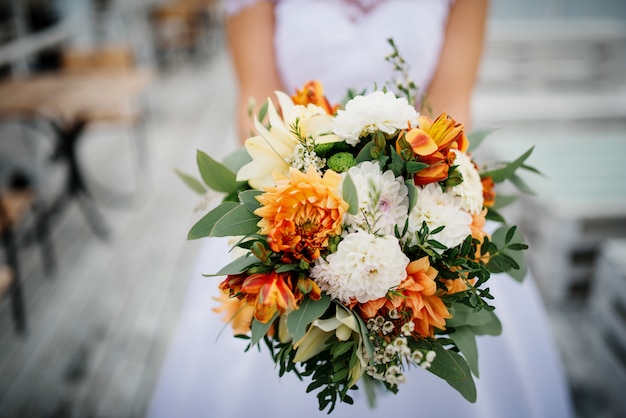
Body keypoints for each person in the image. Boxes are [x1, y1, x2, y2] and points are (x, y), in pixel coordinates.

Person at [148, 1, 575, 417]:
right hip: (289, 190)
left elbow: (449, 105)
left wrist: (410, 218)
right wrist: (313, 226)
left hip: (417, 190)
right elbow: (255, 107)